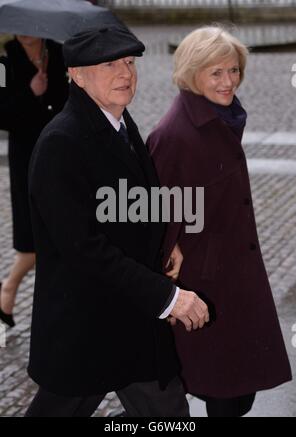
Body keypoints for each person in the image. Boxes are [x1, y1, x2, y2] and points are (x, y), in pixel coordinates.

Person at [25, 26, 209, 417]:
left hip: (133, 323)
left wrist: (165, 242)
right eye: (110, 64)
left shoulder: (121, 124)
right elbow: (83, 249)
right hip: (85, 328)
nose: (126, 73)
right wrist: (168, 296)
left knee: (169, 416)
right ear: (76, 74)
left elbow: (137, 199)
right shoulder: (61, 143)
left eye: (129, 62)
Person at [147, 26, 292, 417]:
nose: (228, 81)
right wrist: (170, 247)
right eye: (216, 73)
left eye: (233, 70)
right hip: (206, 281)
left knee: (239, 391)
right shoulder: (174, 134)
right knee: (225, 393)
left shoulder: (221, 116)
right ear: (192, 73)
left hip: (235, 275)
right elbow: (154, 213)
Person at [0, 35, 69, 327]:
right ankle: (8, 288)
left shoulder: (58, 51)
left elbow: (69, 101)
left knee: (61, 230)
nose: (25, 33)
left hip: (59, 153)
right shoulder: (4, 58)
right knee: (32, 239)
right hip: (25, 156)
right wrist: (30, 92)